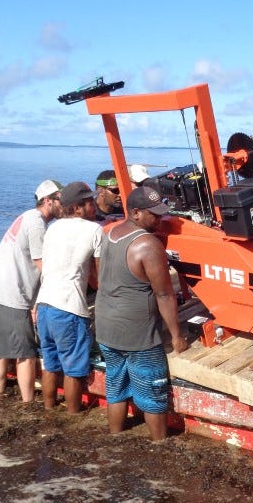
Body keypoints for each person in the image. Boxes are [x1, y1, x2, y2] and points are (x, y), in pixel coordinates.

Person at [95, 186, 189, 441]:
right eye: (154, 215)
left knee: (115, 386)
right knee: (153, 392)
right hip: (138, 335)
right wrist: (176, 335)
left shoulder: (111, 232)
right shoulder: (148, 244)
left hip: (105, 327)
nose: (160, 220)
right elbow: (164, 294)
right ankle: (160, 444)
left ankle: (115, 436)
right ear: (135, 213)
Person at [0, 179, 62, 402]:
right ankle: (27, 402)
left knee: (1, 349)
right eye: (60, 200)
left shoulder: (26, 216)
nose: (63, 206)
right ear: (47, 201)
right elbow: (41, 263)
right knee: (26, 354)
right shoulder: (37, 223)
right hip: (11, 295)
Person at [35, 181, 104, 414]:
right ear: (76, 208)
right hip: (69, 308)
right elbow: (100, 276)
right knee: (74, 369)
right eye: (89, 202)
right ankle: (73, 414)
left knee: (50, 363)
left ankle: (48, 407)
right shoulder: (94, 230)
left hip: (44, 305)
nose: (94, 206)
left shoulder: (53, 227)